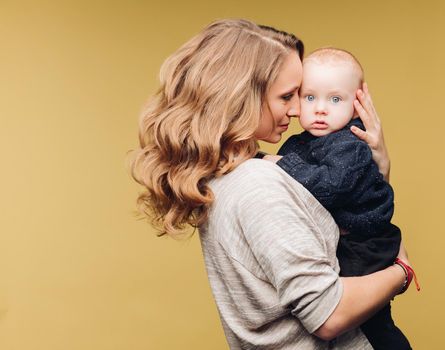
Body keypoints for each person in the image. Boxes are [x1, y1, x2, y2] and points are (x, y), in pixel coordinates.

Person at [129, 19, 414, 349]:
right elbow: (329, 315)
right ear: (242, 97)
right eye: (287, 96)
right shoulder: (259, 184)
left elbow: (342, 210)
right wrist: (402, 271)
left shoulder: (232, 173)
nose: (297, 111)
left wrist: (379, 166)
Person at [263, 47, 418, 349]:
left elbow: (330, 187)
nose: (320, 109)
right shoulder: (298, 142)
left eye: (335, 99)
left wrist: (278, 163)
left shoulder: (351, 143)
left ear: (357, 104)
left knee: (367, 320)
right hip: (345, 239)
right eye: (310, 97)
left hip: (364, 242)